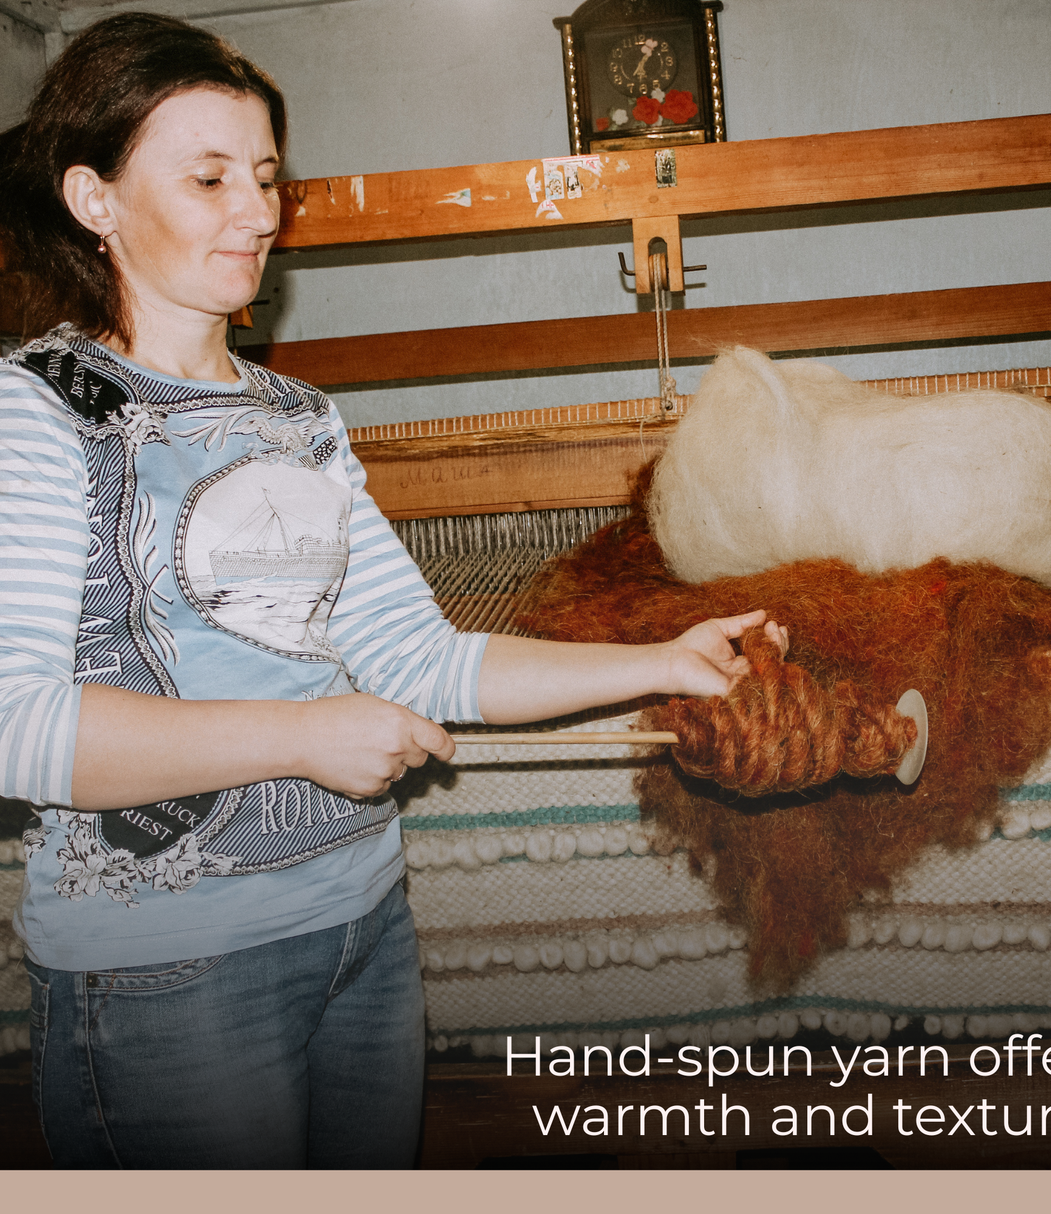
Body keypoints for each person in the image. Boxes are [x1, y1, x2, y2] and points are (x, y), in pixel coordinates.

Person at [0, 12, 783, 1168]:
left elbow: (422, 658)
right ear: (94, 199)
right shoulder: (38, 407)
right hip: (163, 961)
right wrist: (304, 732)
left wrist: (662, 660)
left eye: (266, 176)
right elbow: (18, 727)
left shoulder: (298, 418)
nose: (258, 211)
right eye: (208, 176)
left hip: (361, 924)